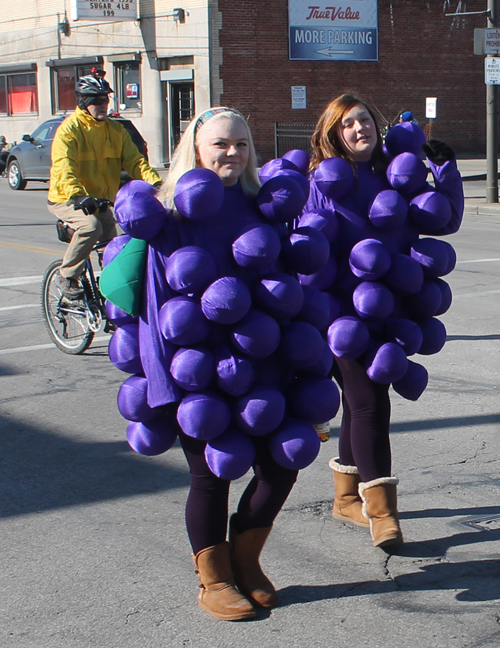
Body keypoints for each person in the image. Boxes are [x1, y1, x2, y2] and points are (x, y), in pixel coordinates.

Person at [108, 107, 329, 620]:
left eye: (242, 145)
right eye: (220, 144)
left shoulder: (265, 208)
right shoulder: (171, 216)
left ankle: (245, 559)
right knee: (211, 476)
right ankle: (213, 578)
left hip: (266, 361)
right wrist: (165, 386)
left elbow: (289, 285)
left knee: (281, 466)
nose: (232, 153)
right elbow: (155, 309)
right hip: (197, 371)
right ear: (196, 150)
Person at [301, 93, 464, 549]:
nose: (359, 129)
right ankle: (383, 512)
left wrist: (446, 168)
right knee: (371, 401)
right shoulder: (321, 182)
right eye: (348, 124)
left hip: (391, 304)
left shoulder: (396, 174)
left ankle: (346, 497)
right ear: (333, 134)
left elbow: (445, 219)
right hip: (338, 313)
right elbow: (305, 247)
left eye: (365, 120)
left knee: (359, 403)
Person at [47, 72, 162, 298]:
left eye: (105, 100)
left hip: (99, 200)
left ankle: (109, 300)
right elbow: (64, 166)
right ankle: (67, 274)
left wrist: (157, 184)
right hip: (68, 198)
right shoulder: (69, 130)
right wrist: (77, 195)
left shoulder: (115, 130)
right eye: (96, 100)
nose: (102, 105)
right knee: (90, 227)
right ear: (83, 102)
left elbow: (135, 161)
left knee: (113, 251)